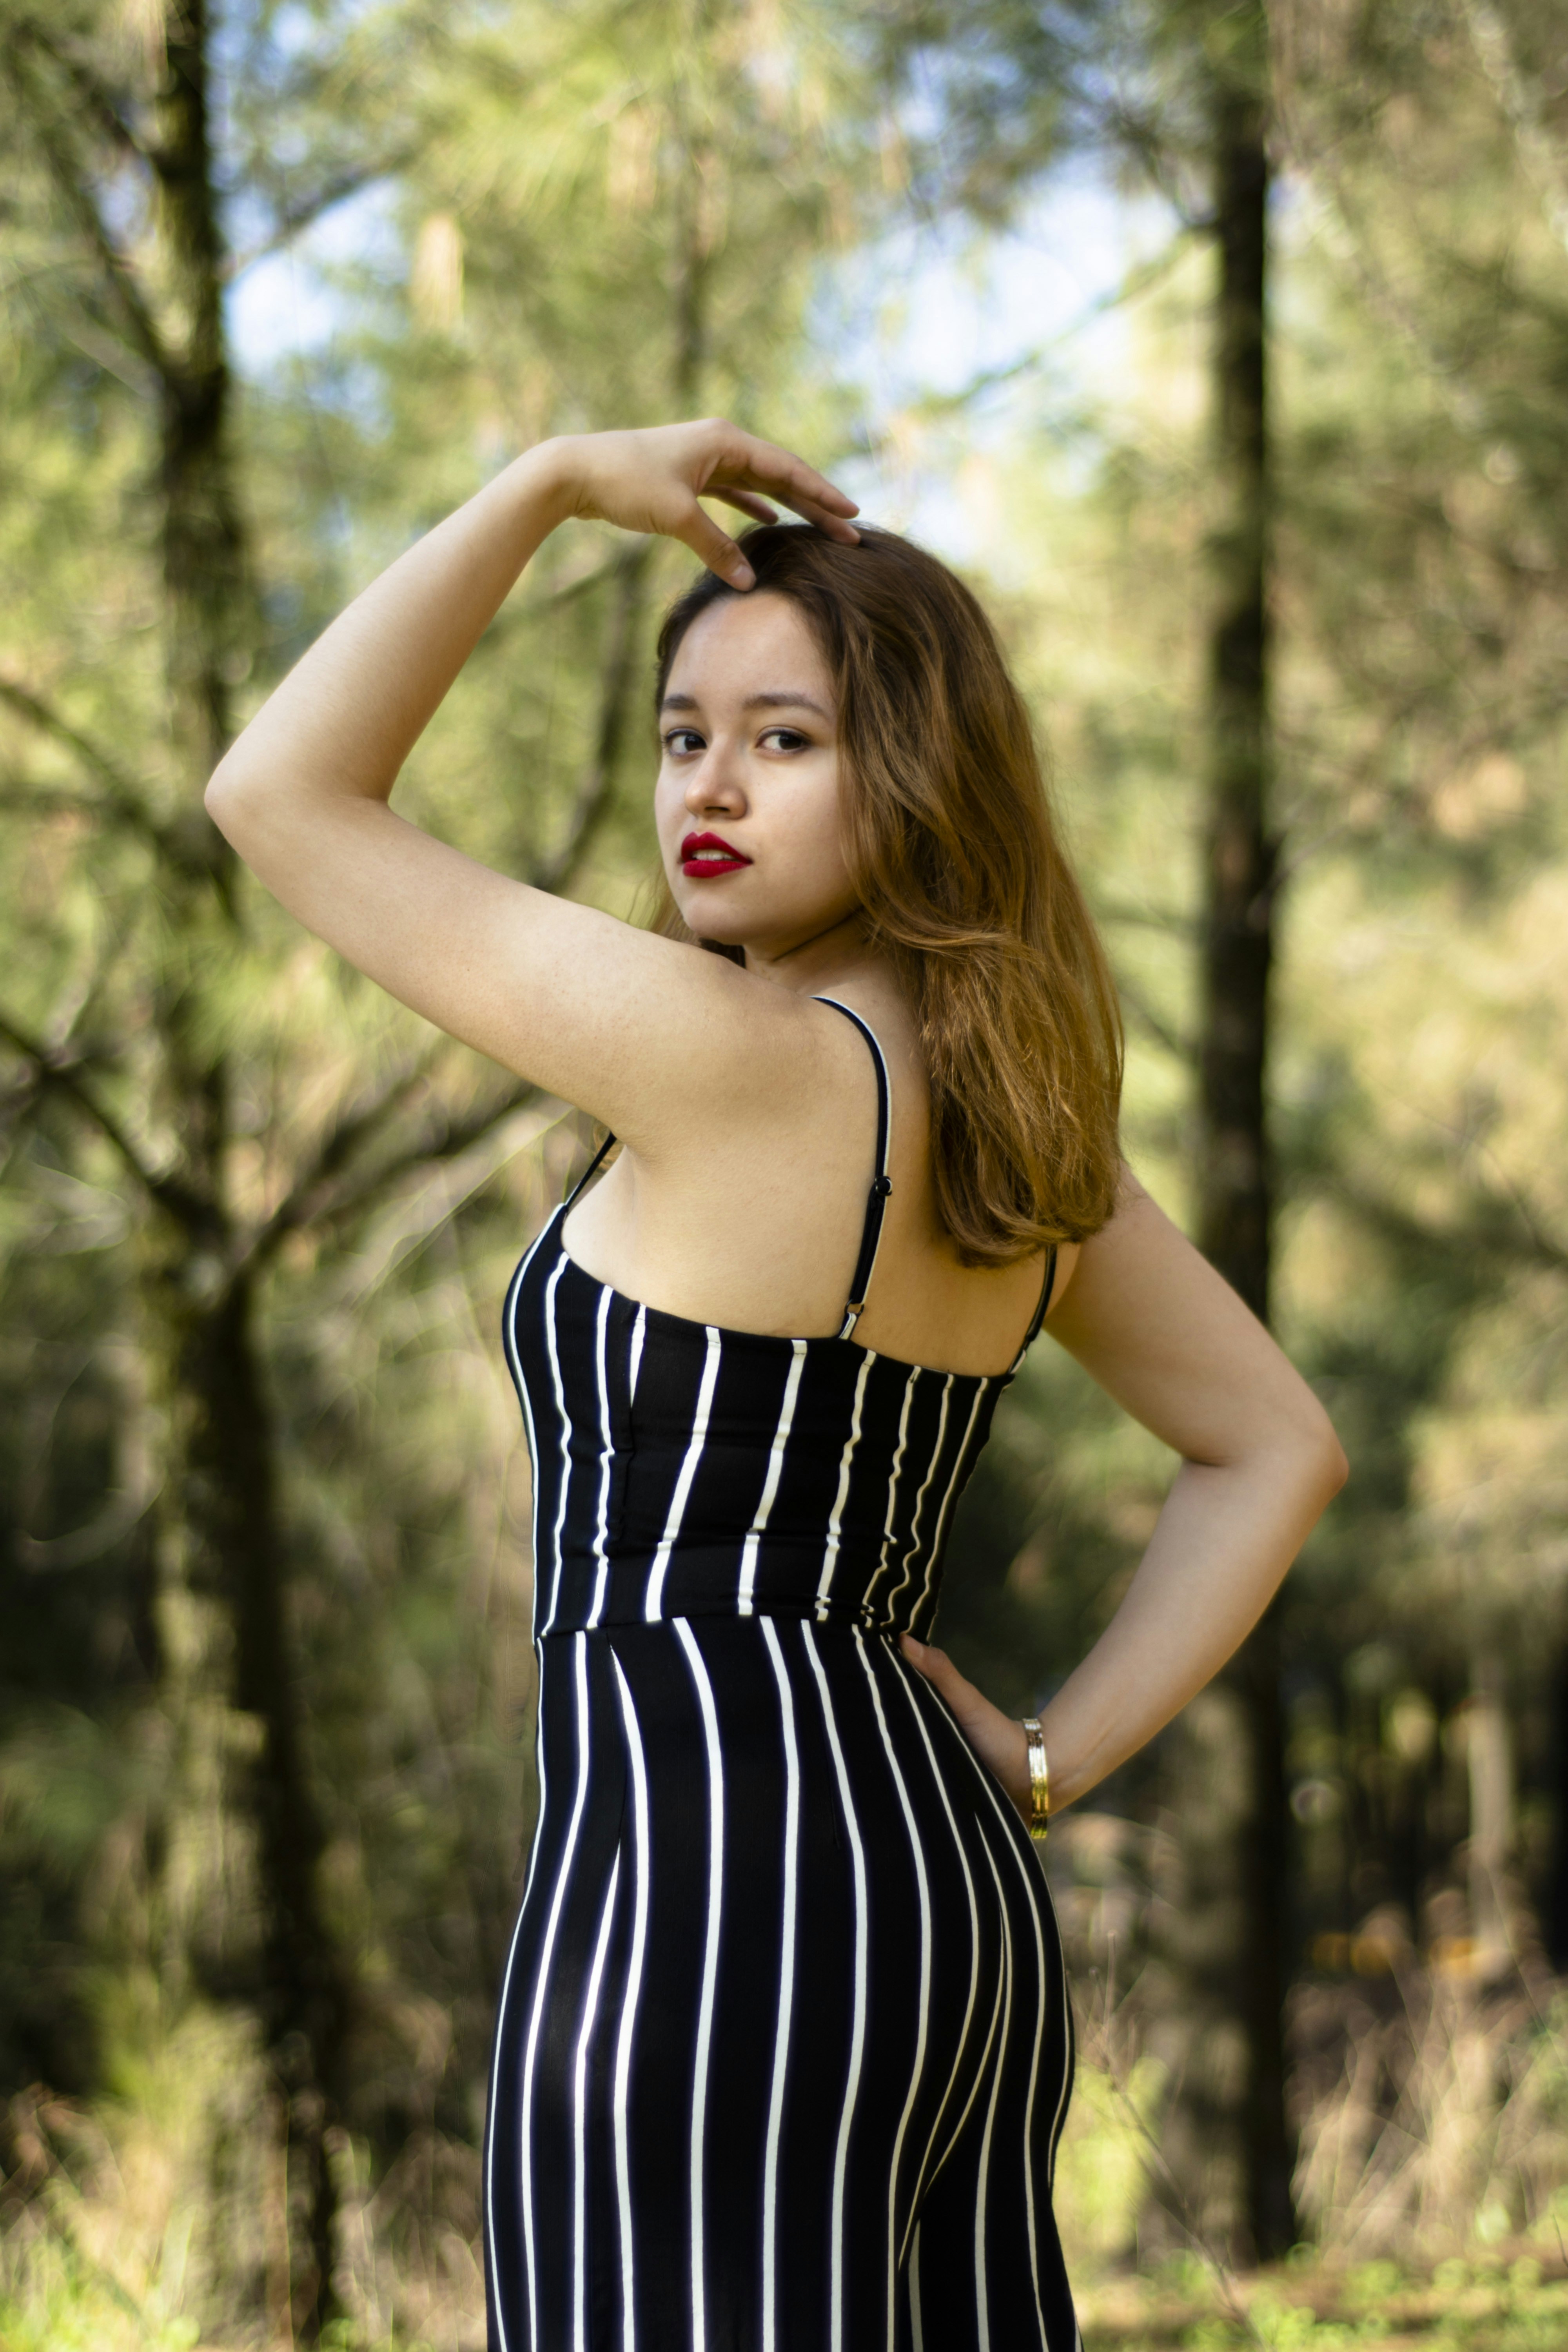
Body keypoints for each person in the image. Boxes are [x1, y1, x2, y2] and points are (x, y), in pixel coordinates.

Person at [205, 418, 1347, 2352]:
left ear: (911, 766)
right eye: (679, 735)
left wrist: (542, 487)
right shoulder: (1022, 1128)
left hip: (697, 1884)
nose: (706, 788)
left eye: (783, 738)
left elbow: (281, 790)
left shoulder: (723, 1048)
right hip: (945, 1905)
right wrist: (1049, 1760)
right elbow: (1273, 1447)